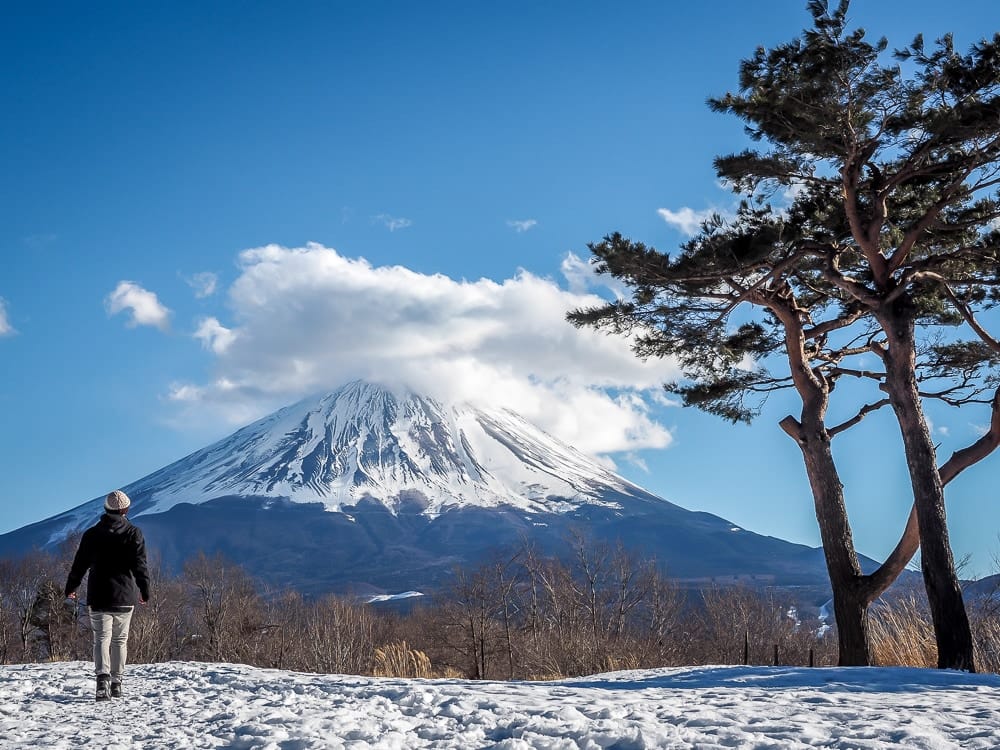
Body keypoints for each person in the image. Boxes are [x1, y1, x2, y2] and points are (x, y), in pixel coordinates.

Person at [65, 489, 151, 701]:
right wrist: (145, 590)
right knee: (120, 640)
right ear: (126, 509)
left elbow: (80, 565)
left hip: (99, 594)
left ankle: (101, 681)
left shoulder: (91, 534)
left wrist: (71, 586)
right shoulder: (134, 533)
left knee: (101, 639)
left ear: (105, 509)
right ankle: (117, 683)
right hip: (124, 595)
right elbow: (140, 566)